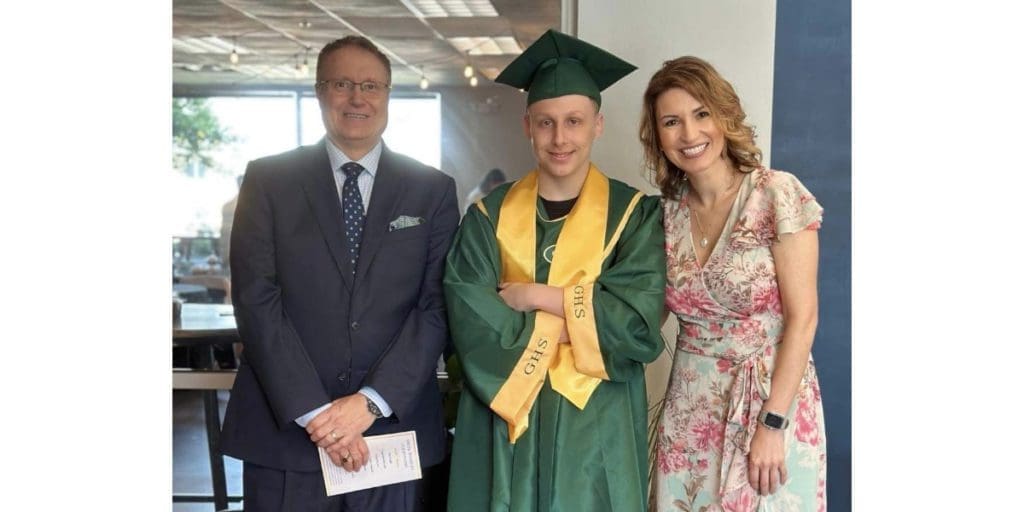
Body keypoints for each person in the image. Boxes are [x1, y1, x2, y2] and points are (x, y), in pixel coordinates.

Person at [220, 35, 460, 511]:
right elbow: (256, 301)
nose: (358, 97)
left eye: (371, 85)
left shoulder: (431, 190)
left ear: (388, 95)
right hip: (285, 432)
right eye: (343, 83)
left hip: (391, 433)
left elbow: (436, 307)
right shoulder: (268, 181)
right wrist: (320, 417)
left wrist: (369, 403)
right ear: (319, 92)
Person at [444, 30, 667, 511]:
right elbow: (470, 315)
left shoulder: (636, 217)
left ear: (598, 125)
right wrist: (582, 322)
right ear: (527, 126)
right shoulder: (487, 218)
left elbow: (635, 320)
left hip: (596, 416)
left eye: (574, 121)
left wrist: (533, 298)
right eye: (546, 123)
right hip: (506, 411)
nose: (560, 138)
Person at [641, 56, 827, 511]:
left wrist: (773, 423)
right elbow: (641, 317)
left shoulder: (775, 194)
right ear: (657, 136)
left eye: (701, 114)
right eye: (672, 121)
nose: (689, 134)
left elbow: (803, 320)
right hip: (690, 408)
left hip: (770, 401)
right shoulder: (661, 216)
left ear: (723, 115)